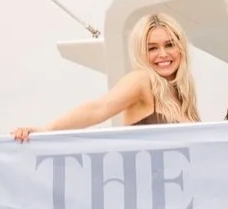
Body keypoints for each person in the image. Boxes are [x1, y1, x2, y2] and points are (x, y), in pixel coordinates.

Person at [12, 11, 200, 137]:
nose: (163, 54)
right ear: (141, 53)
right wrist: (45, 130)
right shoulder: (143, 80)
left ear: (180, 47)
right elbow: (98, 108)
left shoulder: (184, 99)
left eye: (169, 45)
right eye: (152, 48)